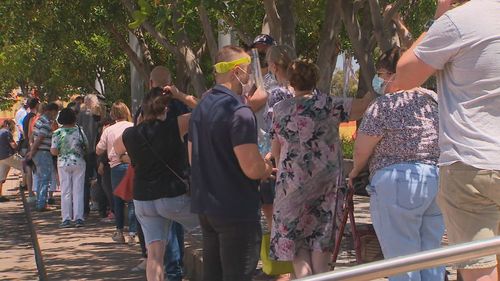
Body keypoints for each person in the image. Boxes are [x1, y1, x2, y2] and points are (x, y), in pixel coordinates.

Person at [388, 1, 500, 280]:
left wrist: (437, 21)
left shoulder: (458, 21)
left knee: (479, 269)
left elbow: (404, 75)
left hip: (471, 162)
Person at [269, 60, 374, 277]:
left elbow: (276, 149)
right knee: (321, 241)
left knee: (296, 243)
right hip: (326, 184)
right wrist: (379, 85)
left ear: (291, 81)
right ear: (315, 79)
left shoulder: (280, 110)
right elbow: (363, 106)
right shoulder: (330, 104)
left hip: (291, 183)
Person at [348, 47, 444, 281]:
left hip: (396, 183)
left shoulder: (385, 105)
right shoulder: (433, 100)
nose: (379, 80)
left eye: (381, 73)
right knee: (432, 257)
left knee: (401, 261)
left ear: (394, 73)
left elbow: (362, 148)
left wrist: (354, 172)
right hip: (434, 179)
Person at [189, 45, 274, 281]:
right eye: (248, 70)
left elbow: (192, 156)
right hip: (235, 208)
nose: (249, 77)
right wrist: (266, 167)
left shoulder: (200, 108)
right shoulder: (240, 111)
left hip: (207, 206)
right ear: (237, 71)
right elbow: (252, 167)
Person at [116, 87, 199, 281]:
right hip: (172, 197)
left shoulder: (130, 134)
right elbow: (205, 109)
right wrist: (179, 94)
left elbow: (116, 150)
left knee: (154, 255)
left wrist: (131, 158)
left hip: (143, 200)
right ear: (166, 110)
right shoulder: (175, 125)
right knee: (214, 223)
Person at [96, 102, 137, 244]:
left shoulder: (109, 130)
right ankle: (133, 233)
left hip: (116, 167)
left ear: (113, 114)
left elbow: (98, 150)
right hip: (132, 165)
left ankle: (119, 232)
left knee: (118, 200)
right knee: (132, 200)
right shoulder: (133, 127)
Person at [51, 108, 88, 228]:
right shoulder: (79, 130)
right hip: (79, 162)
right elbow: (87, 146)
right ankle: (79, 218)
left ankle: (66, 218)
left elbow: (54, 151)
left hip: (63, 163)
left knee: (65, 191)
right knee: (78, 190)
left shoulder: (57, 133)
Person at [27, 102, 59, 212]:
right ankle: (42, 204)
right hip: (43, 152)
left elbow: (32, 136)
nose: (56, 115)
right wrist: (32, 151)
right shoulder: (46, 122)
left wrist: (32, 151)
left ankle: (40, 201)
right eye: (56, 112)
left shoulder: (40, 120)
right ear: (51, 111)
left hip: (39, 152)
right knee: (45, 178)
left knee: (41, 178)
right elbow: (40, 138)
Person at [77, 94, 101, 216]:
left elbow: (78, 132)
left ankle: (85, 209)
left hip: (84, 151)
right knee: (99, 179)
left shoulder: (81, 115)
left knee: (84, 181)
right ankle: (100, 206)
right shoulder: (98, 116)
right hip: (97, 151)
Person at [0, 119, 24, 202]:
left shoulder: (0, 132)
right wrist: (18, 146)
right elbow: (13, 145)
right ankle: (25, 185)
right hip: (8, 155)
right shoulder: (6, 132)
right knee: (24, 166)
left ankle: (0, 195)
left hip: (1, 157)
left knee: (1, 177)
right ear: (8, 125)